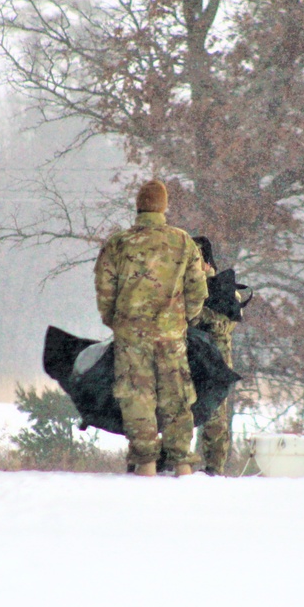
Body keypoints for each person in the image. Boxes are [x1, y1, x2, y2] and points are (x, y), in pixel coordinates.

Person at [94, 180, 208, 477]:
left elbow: (105, 292)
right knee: (177, 398)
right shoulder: (183, 242)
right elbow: (197, 291)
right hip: (171, 336)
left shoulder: (118, 244)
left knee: (136, 397)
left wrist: (118, 323)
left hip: (131, 337)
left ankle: (146, 464)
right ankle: (182, 463)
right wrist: (183, 320)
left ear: (138, 206)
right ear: (164, 206)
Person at [191, 236, 239, 476]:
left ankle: (214, 469)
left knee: (215, 418)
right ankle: (171, 459)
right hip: (188, 359)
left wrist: (199, 316)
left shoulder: (223, 288)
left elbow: (224, 324)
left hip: (215, 363)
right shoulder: (186, 287)